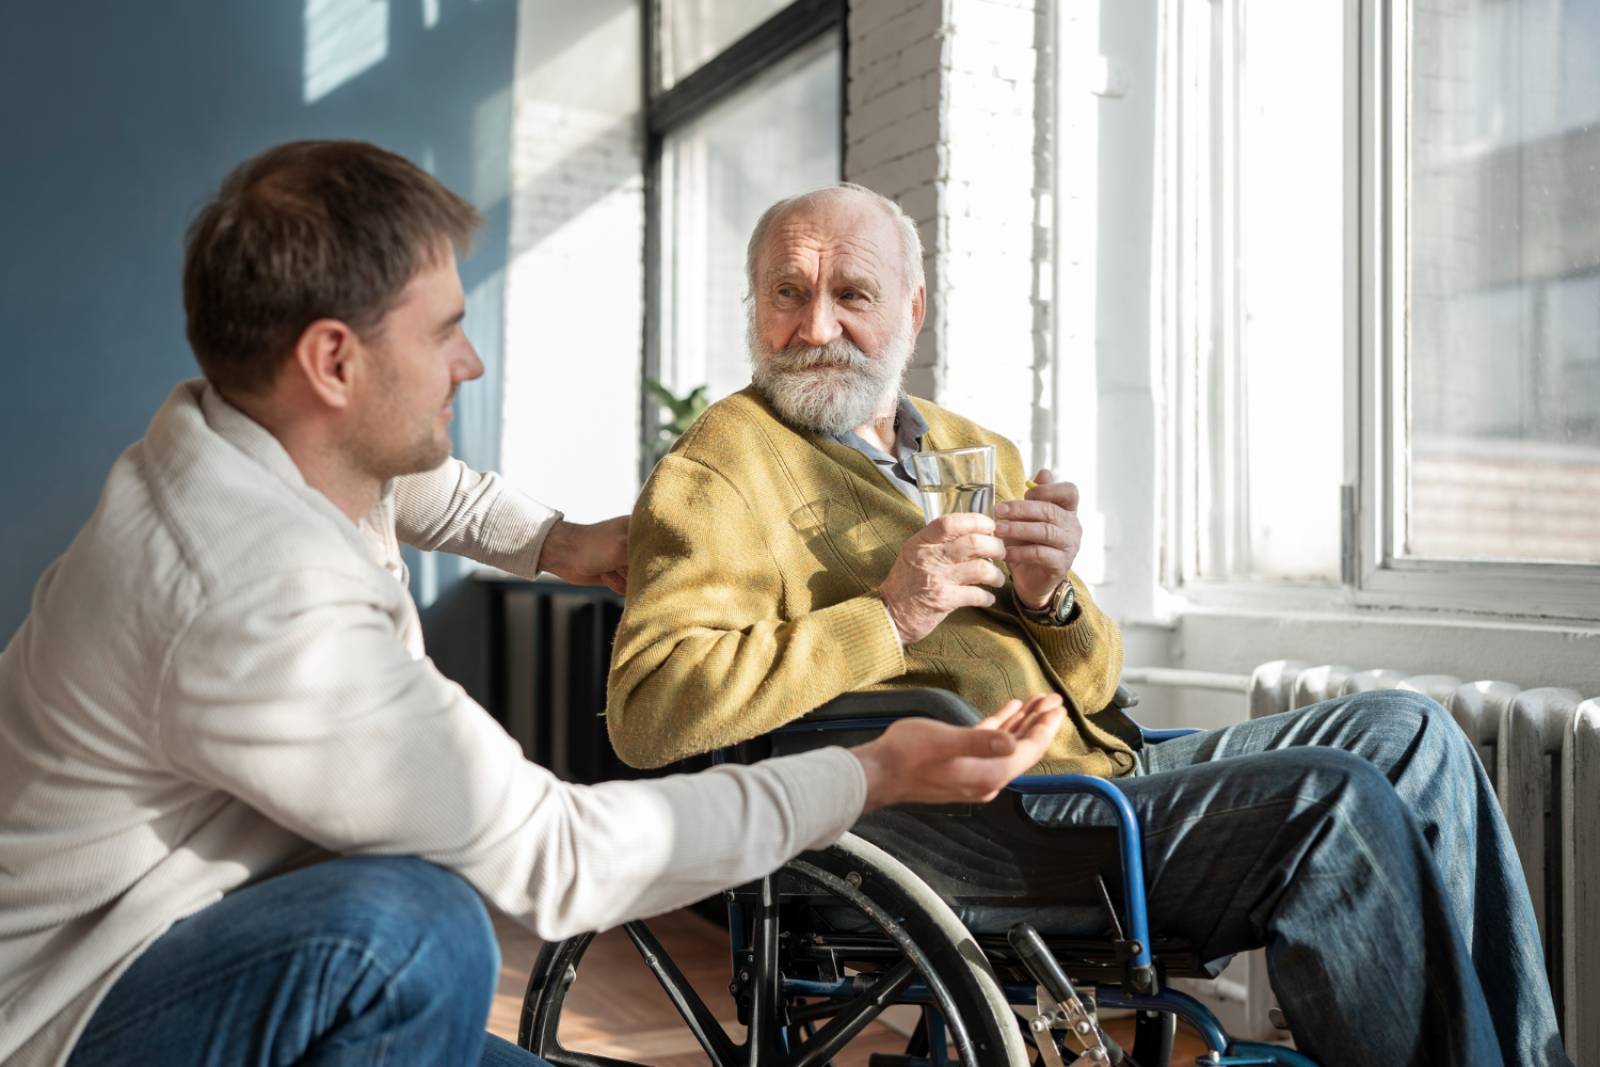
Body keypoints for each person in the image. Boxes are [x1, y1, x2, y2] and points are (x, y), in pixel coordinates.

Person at [0, 143, 1074, 1067]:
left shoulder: (240, 438)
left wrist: (559, 543)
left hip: (213, 946)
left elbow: (429, 486)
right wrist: (871, 771)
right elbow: (558, 857)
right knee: (412, 927)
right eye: (444, 331)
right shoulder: (256, 596)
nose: (470, 360)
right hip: (79, 1013)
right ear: (332, 360)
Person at [604, 182, 1571, 1066]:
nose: (816, 325)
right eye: (786, 293)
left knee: (1415, 733)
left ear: (912, 309)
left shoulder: (970, 444)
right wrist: (891, 614)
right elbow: (649, 710)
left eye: (851, 293)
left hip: (1100, 774)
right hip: (972, 827)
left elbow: (1099, 685)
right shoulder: (722, 462)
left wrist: (1050, 595)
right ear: (755, 308)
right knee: (1335, 801)